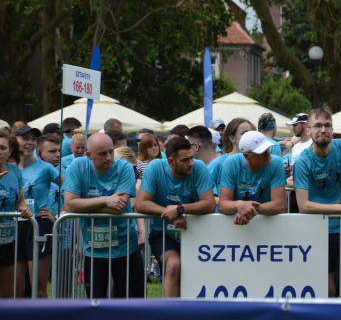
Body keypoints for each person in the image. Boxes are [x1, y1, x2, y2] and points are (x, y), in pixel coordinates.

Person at [294, 108, 341, 297]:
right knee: (327, 289)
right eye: (317, 126)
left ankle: (337, 313)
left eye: (327, 125)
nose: (323, 130)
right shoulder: (303, 161)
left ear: (332, 129)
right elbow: (303, 206)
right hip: (321, 230)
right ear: (308, 130)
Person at [63, 133, 144, 298]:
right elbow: (70, 205)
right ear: (89, 155)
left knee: (127, 303)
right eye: (102, 154)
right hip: (93, 251)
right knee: (95, 303)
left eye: (111, 152)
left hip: (126, 248)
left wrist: (83, 205)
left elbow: (118, 208)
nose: (109, 157)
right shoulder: (78, 166)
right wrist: (105, 200)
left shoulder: (124, 167)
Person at [136, 137, 215, 297]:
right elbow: (141, 204)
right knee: (173, 266)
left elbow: (209, 204)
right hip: (163, 233)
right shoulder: (156, 167)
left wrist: (179, 209)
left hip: (195, 232)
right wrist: (170, 214)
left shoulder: (199, 167)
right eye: (185, 160)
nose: (191, 163)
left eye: (191, 158)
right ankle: (169, 312)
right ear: (171, 161)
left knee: (196, 274)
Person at [15, 127, 60, 298]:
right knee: (16, 289)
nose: (30, 142)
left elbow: (71, 188)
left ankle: (43, 316)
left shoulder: (46, 168)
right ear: (14, 141)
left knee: (38, 288)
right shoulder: (9, 168)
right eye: (25, 138)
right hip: (13, 227)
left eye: (33, 139)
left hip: (38, 226)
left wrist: (57, 216)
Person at [219, 131, 286, 225]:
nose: (268, 153)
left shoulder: (276, 162)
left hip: (265, 224)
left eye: (267, 148)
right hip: (236, 224)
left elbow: (279, 205)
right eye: (261, 152)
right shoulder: (231, 163)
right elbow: (222, 205)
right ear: (246, 155)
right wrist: (238, 205)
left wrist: (249, 209)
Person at [0, 131, 33, 298]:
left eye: (2, 148)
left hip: (7, 239)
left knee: (7, 294)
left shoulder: (14, 171)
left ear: (9, 151)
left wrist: (24, 209)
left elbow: (21, 200)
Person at [208, 118, 254, 201]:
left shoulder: (259, 162)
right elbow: (204, 195)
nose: (249, 137)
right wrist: (229, 203)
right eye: (244, 133)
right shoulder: (217, 163)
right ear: (232, 138)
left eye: (251, 133)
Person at [285, 113, 312, 213]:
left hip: (308, 193)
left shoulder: (313, 144)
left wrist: (287, 182)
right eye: (292, 125)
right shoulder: (295, 147)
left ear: (305, 125)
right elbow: (293, 173)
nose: (293, 128)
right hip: (294, 192)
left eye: (295, 125)